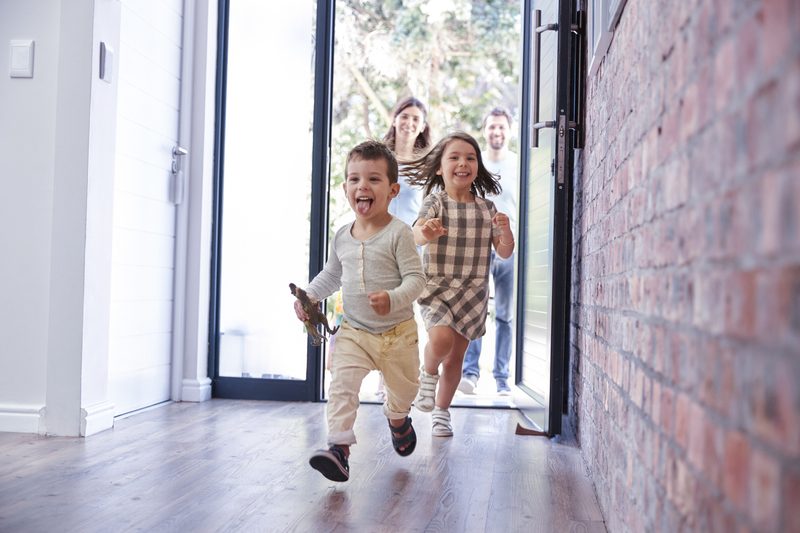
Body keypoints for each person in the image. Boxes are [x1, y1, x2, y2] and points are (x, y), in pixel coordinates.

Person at [294, 140, 426, 482]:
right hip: (354, 331)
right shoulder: (342, 237)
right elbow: (332, 275)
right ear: (345, 189)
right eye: (354, 180)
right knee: (341, 384)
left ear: (393, 190)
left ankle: (398, 420)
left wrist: (394, 298)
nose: (362, 186)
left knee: (405, 391)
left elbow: (417, 279)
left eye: (373, 179)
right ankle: (339, 448)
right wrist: (308, 296)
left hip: (398, 334)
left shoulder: (400, 234)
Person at [404, 131, 515, 437]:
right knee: (440, 341)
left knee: (456, 359)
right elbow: (415, 235)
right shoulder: (435, 202)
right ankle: (427, 374)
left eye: (470, 157)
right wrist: (427, 232)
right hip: (438, 289)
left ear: (477, 166)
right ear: (439, 167)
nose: (462, 163)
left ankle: (442, 411)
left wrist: (505, 231)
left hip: (473, 294)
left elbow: (504, 252)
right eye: (454, 157)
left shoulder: (487, 209)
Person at [459, 108, 519, 396]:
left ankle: (502, 378)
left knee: (506, 315)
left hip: (508, 248)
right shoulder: (475, 165)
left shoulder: (519, 165)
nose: (497, 132)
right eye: (492, 127)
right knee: (475, 312)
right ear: (485, 130)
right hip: (478, 249)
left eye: (501, 127)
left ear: (510, 130)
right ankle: (470, 374)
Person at [383, 96, 432, 226]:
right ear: (394, 120)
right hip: (380, 238)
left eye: (416, 119)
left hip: (411, 240)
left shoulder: (427, 167)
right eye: (404, 116)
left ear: (422, 127)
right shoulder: (379, 160)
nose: (409, 123)